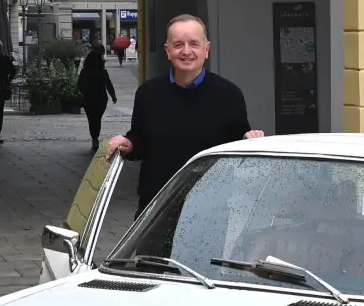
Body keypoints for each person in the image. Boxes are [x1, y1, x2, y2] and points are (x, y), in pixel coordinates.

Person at [107, 14, 264, 215]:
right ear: (168, 51)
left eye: (194, 44)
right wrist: (128, 144)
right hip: (156, 207)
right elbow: (140, 142)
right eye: (178, 44)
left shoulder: (229, 95)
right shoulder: (148, 93)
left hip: (209, 210)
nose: (186, 51)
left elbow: (238, 148)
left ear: (206, 49)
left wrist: (251, 141)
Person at [77, 43, 117, 151]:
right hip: (101, 99)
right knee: (97, 119)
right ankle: (95, 137)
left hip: (88, 99)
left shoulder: (84, 71)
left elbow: (79, 85)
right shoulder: (103, 72)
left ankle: (94, 138)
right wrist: (113, 96)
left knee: (91, 119)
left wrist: (83, 91)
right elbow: (109, 84)